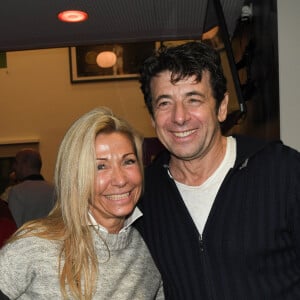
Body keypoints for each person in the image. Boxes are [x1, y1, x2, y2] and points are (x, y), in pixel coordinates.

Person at [135, 41, 300, 299]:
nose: (180, 117)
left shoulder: (284, 172)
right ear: (152, 117)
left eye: (194, 99)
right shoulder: (143, 194)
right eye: (165, 103)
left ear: (221, 107)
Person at [0, 107, 164, 299]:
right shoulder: (35, 244)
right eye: (100, 166)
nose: (120, 180)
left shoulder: (152, 248)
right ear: (75, 177)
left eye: (128, 161)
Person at [8, 148, 55, 227]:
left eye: (16, 162)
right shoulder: (54, 190)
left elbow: (14, 227)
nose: (13, 167)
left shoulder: (17, 192)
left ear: (25, 164)